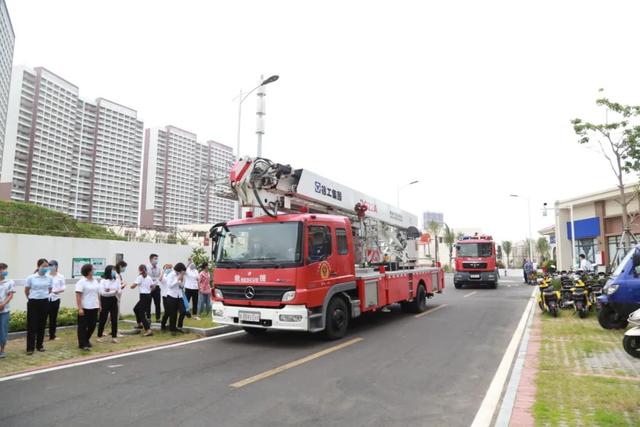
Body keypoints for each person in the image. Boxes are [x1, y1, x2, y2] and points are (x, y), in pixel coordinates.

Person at [25, 259, 52, 355]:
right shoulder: (31, 278)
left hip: (44, 302)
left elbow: (49, 290)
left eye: (47, 266)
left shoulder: (49, 278)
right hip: (33, 302)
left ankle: (39, 345)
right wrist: (32, 298)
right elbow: (27, 290)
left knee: (42, 324)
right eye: (44, 266)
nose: (46, 268)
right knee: (32, 325)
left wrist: (42, 296)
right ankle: (30, 348)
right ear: (38, 266)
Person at [75, 264, 101, 351]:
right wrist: (80, 308)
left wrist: (99, 304)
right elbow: (78, 295)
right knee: (82, 326)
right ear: (89, 271)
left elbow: (97, 293)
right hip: (85, 307)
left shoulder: (95, 281)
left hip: (94, 306)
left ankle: (86, 339)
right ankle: (82, 344)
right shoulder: (81, 282)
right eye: (93, 269)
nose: (94, 270)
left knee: (92, 325)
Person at [97, 265, 121, 343]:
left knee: (114, 319)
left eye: (115, 270)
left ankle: (114, 337)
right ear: (108, 271)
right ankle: (99, 336)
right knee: (103, 319)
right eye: (113, 270)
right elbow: (102, 293)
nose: (114, 272)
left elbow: (119, 290)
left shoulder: (116, 280)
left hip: (114, 300)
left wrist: (109, 290)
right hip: (105, 300)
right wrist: (113, 291)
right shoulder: (103, 281)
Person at [163, 263, 187, 335]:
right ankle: (172, 329)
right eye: (182, 271)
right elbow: (170, 286)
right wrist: (177, 279)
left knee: (183, 311)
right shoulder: (171, 275)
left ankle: (179, 327)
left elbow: (182, 286)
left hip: (179, 296)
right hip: (171, 296)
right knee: (173, 314)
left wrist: (182, 279)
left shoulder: (181, 275)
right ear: (179, 270)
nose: (183, 273)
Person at [131, 265, 154, 337]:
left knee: (141, 314)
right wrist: (149, 289)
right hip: (148, 296)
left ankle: (148, 330)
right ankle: (139, 324)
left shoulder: (139, 277)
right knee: (136, 309)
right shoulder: (149, 277)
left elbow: (132, 287)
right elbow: (153, 286)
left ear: (140, 270)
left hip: (144, 296)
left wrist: (134, 283)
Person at [46, 260, 65, 341]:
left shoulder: (60, 276)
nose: (50, 267)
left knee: (53, 318)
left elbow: (63, 287)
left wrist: (57, 291)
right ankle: (38, 335)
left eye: (52, 265)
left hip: (55, 298)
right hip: (45, 299)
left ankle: (52, 335)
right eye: (49, 265)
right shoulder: (46, 275)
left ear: (56, 266)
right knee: (42, 317)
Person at [0, 263, 16, 359]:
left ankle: (2, 350)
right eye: (3, 269)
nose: (5, 271)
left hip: (4, 310)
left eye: (5, 269)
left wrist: (3, 304)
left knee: (3, 330)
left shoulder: (10, 282)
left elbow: (10, 295)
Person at [146, 254, 162, 323]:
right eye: (155, 258)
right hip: (149, 287)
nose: (156, 260)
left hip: (157, 287)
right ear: (150, 260)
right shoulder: (146, 268)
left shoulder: (159, 269)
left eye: (157, 259)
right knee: (148, 303)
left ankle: (158, 318)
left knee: (158, 303)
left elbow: (158, 278)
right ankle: (148, 318)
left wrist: (155, 284)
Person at [114, 261, 128, 325]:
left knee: (116, 312)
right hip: (115, 295)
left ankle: (113, 327)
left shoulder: (119, 274)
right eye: (124, 267)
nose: (124, 269)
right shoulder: (116, 274)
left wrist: (123, 284)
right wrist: (123, 284)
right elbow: (117, 287)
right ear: (120, 266)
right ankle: (113, 327)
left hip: (119, 295)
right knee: (115, 312)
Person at [160, 263, 173, 331]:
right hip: (165, 295)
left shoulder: (172, 275)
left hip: (171, 295)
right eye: (168, 268)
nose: (169, 269)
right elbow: (160, 279)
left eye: (170, 268)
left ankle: (171, 326)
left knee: (172, 312)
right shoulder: (163, 275)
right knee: (167, 312)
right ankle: (163, 325)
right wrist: (163, 271)